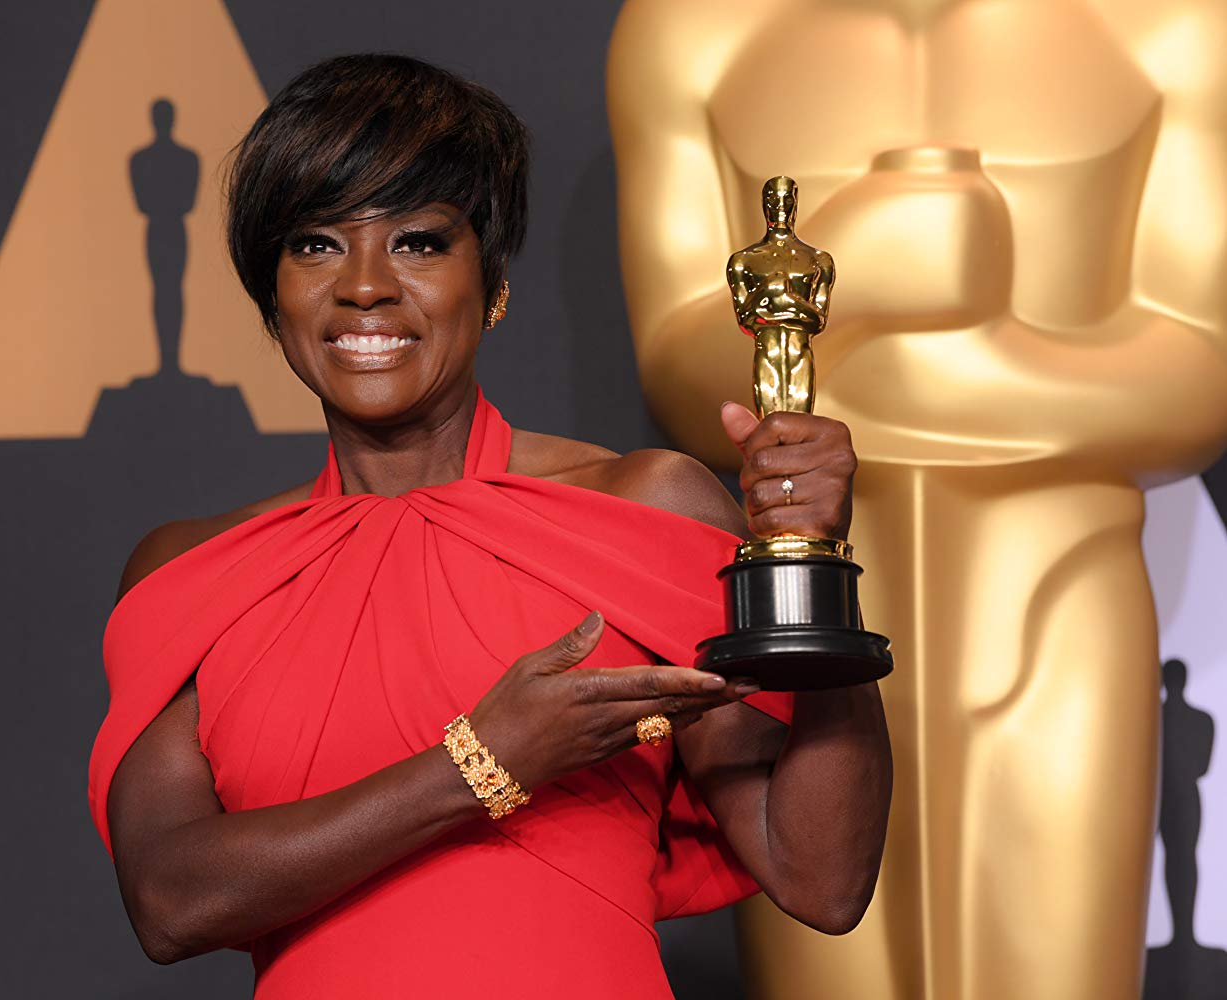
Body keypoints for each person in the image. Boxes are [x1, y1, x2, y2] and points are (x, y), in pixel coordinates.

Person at [88, 54, 892, 998]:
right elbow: (170, 902)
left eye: (419, 242)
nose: (365, 286)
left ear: (494, 281)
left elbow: (821, 879)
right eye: (316, 244)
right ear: (275, 299)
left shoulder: (640, 508)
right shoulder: (197, 571)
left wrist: (816, 563)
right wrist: (483, 763)